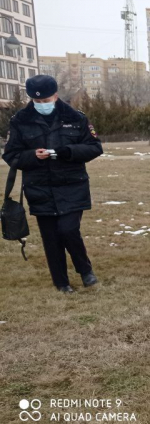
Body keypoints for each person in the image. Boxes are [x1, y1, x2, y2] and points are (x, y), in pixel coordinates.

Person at [2, 75, 102, 294]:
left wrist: (67, 152)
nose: (41, 105)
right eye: (37, 102)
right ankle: (61, 281)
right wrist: (33, 156)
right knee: (51, 237)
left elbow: (94, 147)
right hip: (39, 188)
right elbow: (11, 155)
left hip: (72, 185)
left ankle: (85, 270)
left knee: (69, 230)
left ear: (55, 96)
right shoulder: (20, 120)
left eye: (46, 100)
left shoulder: (76, 117)